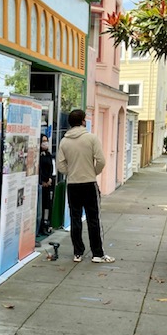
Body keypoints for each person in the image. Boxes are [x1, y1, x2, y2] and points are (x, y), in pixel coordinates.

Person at [57, 109, 114, 263]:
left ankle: (78, 252)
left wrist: (71, 172)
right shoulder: (91, 138)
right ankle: (97, 253)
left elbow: (61, 165)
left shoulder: (64, 141)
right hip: (89, 182)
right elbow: (101, 160)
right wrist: (93, 172)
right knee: (93, 218)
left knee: (75, 218)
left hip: (73, 184)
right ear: (83, 121)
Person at [37, 133, 54, 240]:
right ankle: (39, 227)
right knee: (40, 206)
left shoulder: (48, 155)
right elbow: (39, 169)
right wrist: (43, 181)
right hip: (41, 184)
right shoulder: (38, 155)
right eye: (43, 141)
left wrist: (50, 179)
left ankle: (45, 224)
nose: (45, 143)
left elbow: (51, 167)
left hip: (48, 184)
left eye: (46, 141)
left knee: (47, 206)